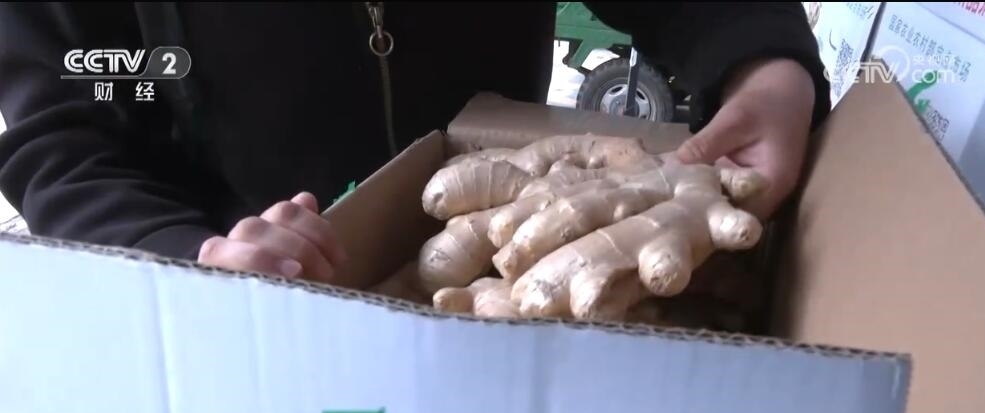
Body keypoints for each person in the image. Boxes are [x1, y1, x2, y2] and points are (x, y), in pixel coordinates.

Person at [0, 3, 830, 284]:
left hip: (497, 261)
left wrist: (762, 64)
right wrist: (189, 255)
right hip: (249, 311)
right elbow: (68, 136)